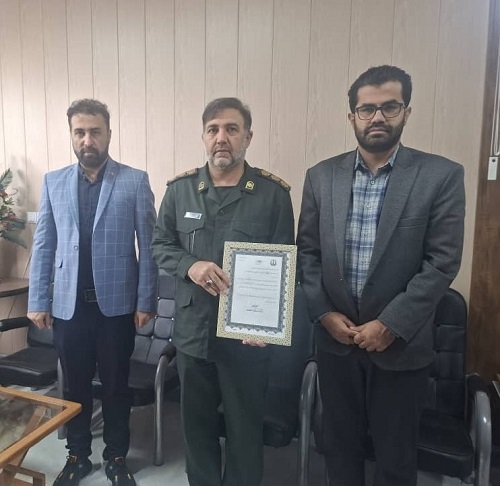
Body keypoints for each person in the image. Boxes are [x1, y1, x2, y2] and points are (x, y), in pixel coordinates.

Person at [297, 65, 465, 486]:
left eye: (389, 107)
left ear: (406, 112)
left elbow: (442, 262)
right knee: (339, 449)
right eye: (366, 109)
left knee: (395, 459)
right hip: (336, 344)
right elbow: (308, 254)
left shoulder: (440, 176)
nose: (377, 117)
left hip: (400, 346)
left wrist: (390, 324)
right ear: (351, 116)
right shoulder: (321, 176)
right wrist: (324, 314)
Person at [151, 97, 294, 486]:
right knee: (196, 429)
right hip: (193, 333)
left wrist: (269, 326)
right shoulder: (180, 191)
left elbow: (287, 267)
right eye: (213, 129)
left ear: (248, 137)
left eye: (232, 129)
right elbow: (160, 245)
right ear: (203, 136)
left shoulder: (273, 195)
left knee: (245, 432)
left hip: (246, 341)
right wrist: (190, 265)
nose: (221, 138)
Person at [28, 99, 157, 486]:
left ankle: (116, 456)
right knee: (75, 386)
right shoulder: (53, 182)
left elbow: (149, 247)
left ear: (109, 134)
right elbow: (44, 244)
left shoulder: (134, 181)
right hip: (68, 308)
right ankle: (77, 455)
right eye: (80, 132)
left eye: (95, 132)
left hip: (116, 308)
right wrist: (38, 300)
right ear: (71, 135)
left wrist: (145, 300)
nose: (87, 140)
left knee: (116, 386)